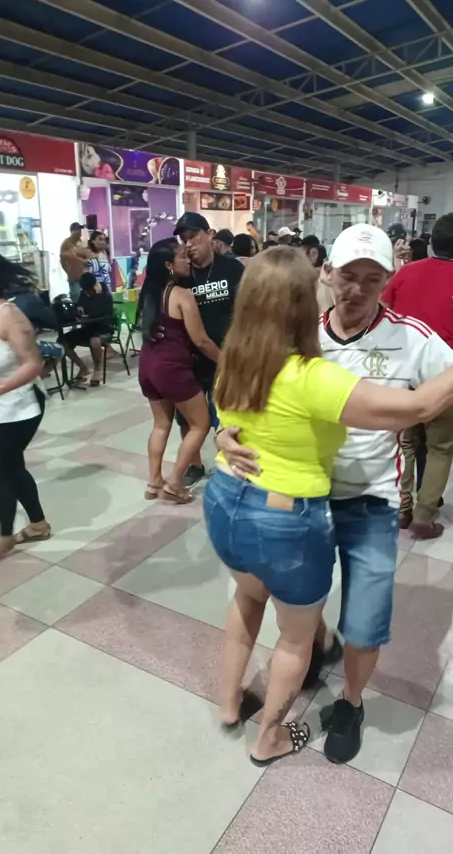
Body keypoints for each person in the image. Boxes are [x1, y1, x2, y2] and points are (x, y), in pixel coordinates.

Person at [206, 242, 453, 767]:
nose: (357, 289)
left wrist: (223, 433)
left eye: (373, 277)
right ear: (325, 276)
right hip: (297, 509)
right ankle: (285, 701)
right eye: (347, 275)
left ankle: (342, 703)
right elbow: (416, 406)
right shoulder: (306, 353)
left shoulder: (409, 337)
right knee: (296, 622)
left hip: (354, 501)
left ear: (389, 279)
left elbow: (227, 397)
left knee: (356, 622)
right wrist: (222, 433)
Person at [0, 244, 51, 566]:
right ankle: (38, 524)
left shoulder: (8, 315)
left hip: (20, 407)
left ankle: (4, 538)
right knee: (12, 466)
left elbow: (33, 364)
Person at [382, 213, 453, 537]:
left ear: (432, 241)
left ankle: (402, 508)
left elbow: (383, 314)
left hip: (404, 371)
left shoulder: (406, 273)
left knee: (405, 443)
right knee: (441, 447)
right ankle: (424, 516)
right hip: (445, 376)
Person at [138, 239, 219, 502]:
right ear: (168, 265)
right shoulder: (182, 295)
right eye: (183, 256)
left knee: (160, 424)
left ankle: (154, 483)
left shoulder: (148, 294)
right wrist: (225, 361)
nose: (188, 260)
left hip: (148, 366)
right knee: (201, 424)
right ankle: (174, 483)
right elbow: (201, 340)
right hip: (171, 368)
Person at [173, 212, 243, 487]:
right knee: (187, 419)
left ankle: (230, 465)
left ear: (210, 234)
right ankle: (194, 465)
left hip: (226, 358)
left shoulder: (232, 269)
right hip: (190, 360)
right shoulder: (182, 274)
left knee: (226, 417)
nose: (189, 244)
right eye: (184, 239)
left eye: (194, 237)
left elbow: (246, 310)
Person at [62, 272, 113, 387]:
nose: (86, 294)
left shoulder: (105, 296)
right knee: (62, 341)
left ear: (95, 286)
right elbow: (79, 306)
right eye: (84, 291)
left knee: (94, 341)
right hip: (87, 328)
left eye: (88, 291)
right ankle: (83, 367)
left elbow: (101, 313)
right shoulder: (84, 293)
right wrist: (78, 310)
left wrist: (96, 297)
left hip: (103, 329)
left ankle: (97, 370)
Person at [60, 222, 90, 302]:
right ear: (72, 231)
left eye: (80, 230)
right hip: (74, 278)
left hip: (84, 276)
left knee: (86, 298)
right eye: (77, 230)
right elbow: (62, 260)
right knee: (76, 297)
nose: (79, 232)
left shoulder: (83, 243)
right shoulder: (66, 243)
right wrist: (69, 272)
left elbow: (88, 256)